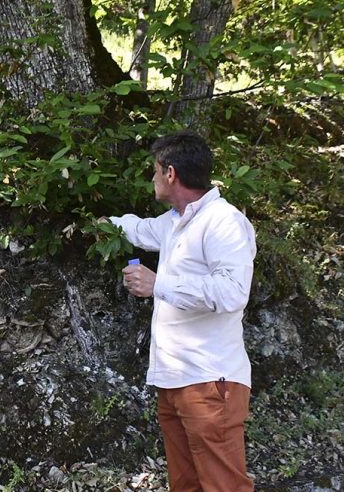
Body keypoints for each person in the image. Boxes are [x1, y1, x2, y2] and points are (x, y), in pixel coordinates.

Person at [105, 130, 256, 491]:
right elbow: (139, 230)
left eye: (155, 172)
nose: (152, 180)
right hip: (174, 380)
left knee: (223, 486)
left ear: (170, 173)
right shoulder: (174, 221)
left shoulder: (223, 221)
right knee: (185, 484)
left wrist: (158, 285)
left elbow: (233, 292)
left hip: (210, 379)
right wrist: (97, 225)